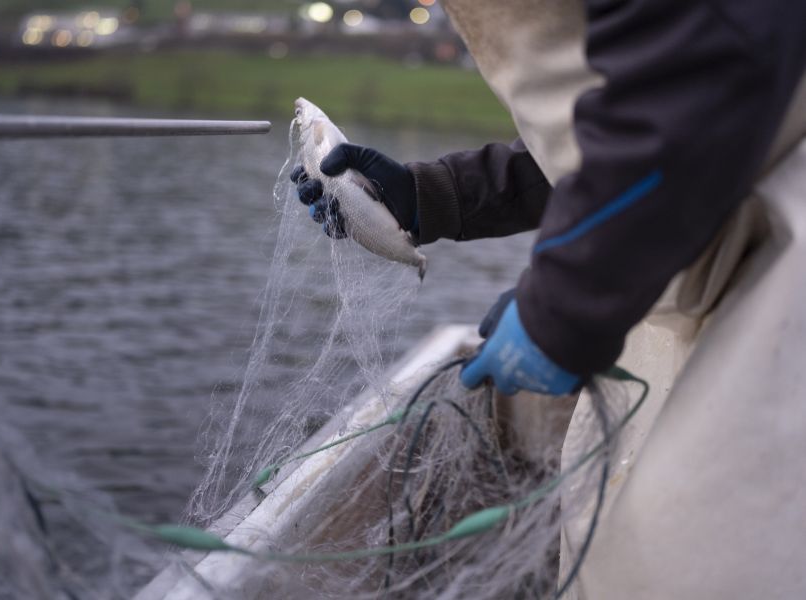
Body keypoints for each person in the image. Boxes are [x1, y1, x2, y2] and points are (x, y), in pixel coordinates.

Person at [291, 0, 806, 400]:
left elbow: (698, 91)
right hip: (666, 290)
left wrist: (562, 305)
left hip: (778, 295)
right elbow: (613, 129)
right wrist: (437, 194)